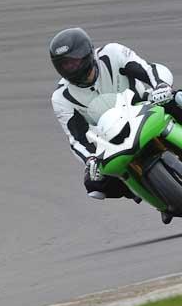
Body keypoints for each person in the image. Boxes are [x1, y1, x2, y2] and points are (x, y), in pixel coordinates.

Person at [49, 27, 182, 223]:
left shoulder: (112, 53)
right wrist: (90, 160)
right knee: (94, 185)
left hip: (144, 105)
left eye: (74, 61)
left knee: (178, 99)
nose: (71, 67)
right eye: (65, 64)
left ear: (87, 53)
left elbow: (146, 69)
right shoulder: (61, 97)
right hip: (108, 136)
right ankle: (149, 192)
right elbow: (75, 139)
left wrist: (160, 86)